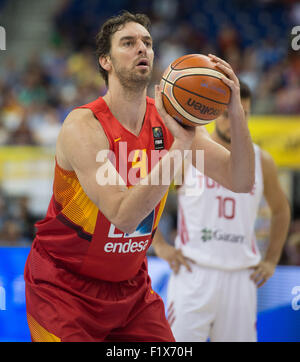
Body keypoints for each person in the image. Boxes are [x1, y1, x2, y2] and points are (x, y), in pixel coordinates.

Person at [24, 11, 255, 342]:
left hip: (130, 290)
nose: (142, 49)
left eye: (147, 42)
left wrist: (234, 112)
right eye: (128, 43)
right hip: (64, 287)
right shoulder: (83, 126)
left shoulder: (171, 121)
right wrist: (181, 147)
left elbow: (242, 180)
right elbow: (124, 217)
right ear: (105, 60)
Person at [152, 81, 291, 342]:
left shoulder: (261, 160)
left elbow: (282, 210)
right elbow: (149, 197)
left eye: (243, 114)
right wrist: (160, 245)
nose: (234, 120)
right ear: (214, 113)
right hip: (193, 270)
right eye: (227, 114)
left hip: (241, 275)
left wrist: (271, 259)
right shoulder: (189, 152)